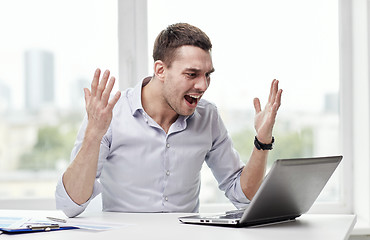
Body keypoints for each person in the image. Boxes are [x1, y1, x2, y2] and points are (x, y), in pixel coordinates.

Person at [55, 23, 282, 218]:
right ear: (161, 70)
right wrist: (94, 135)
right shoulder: (109, 115)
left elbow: (243, 197)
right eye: (192, 74)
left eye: (207, 75)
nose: (202, 86)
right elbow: (69, 205)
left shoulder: (208, 116)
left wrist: (262, 141)